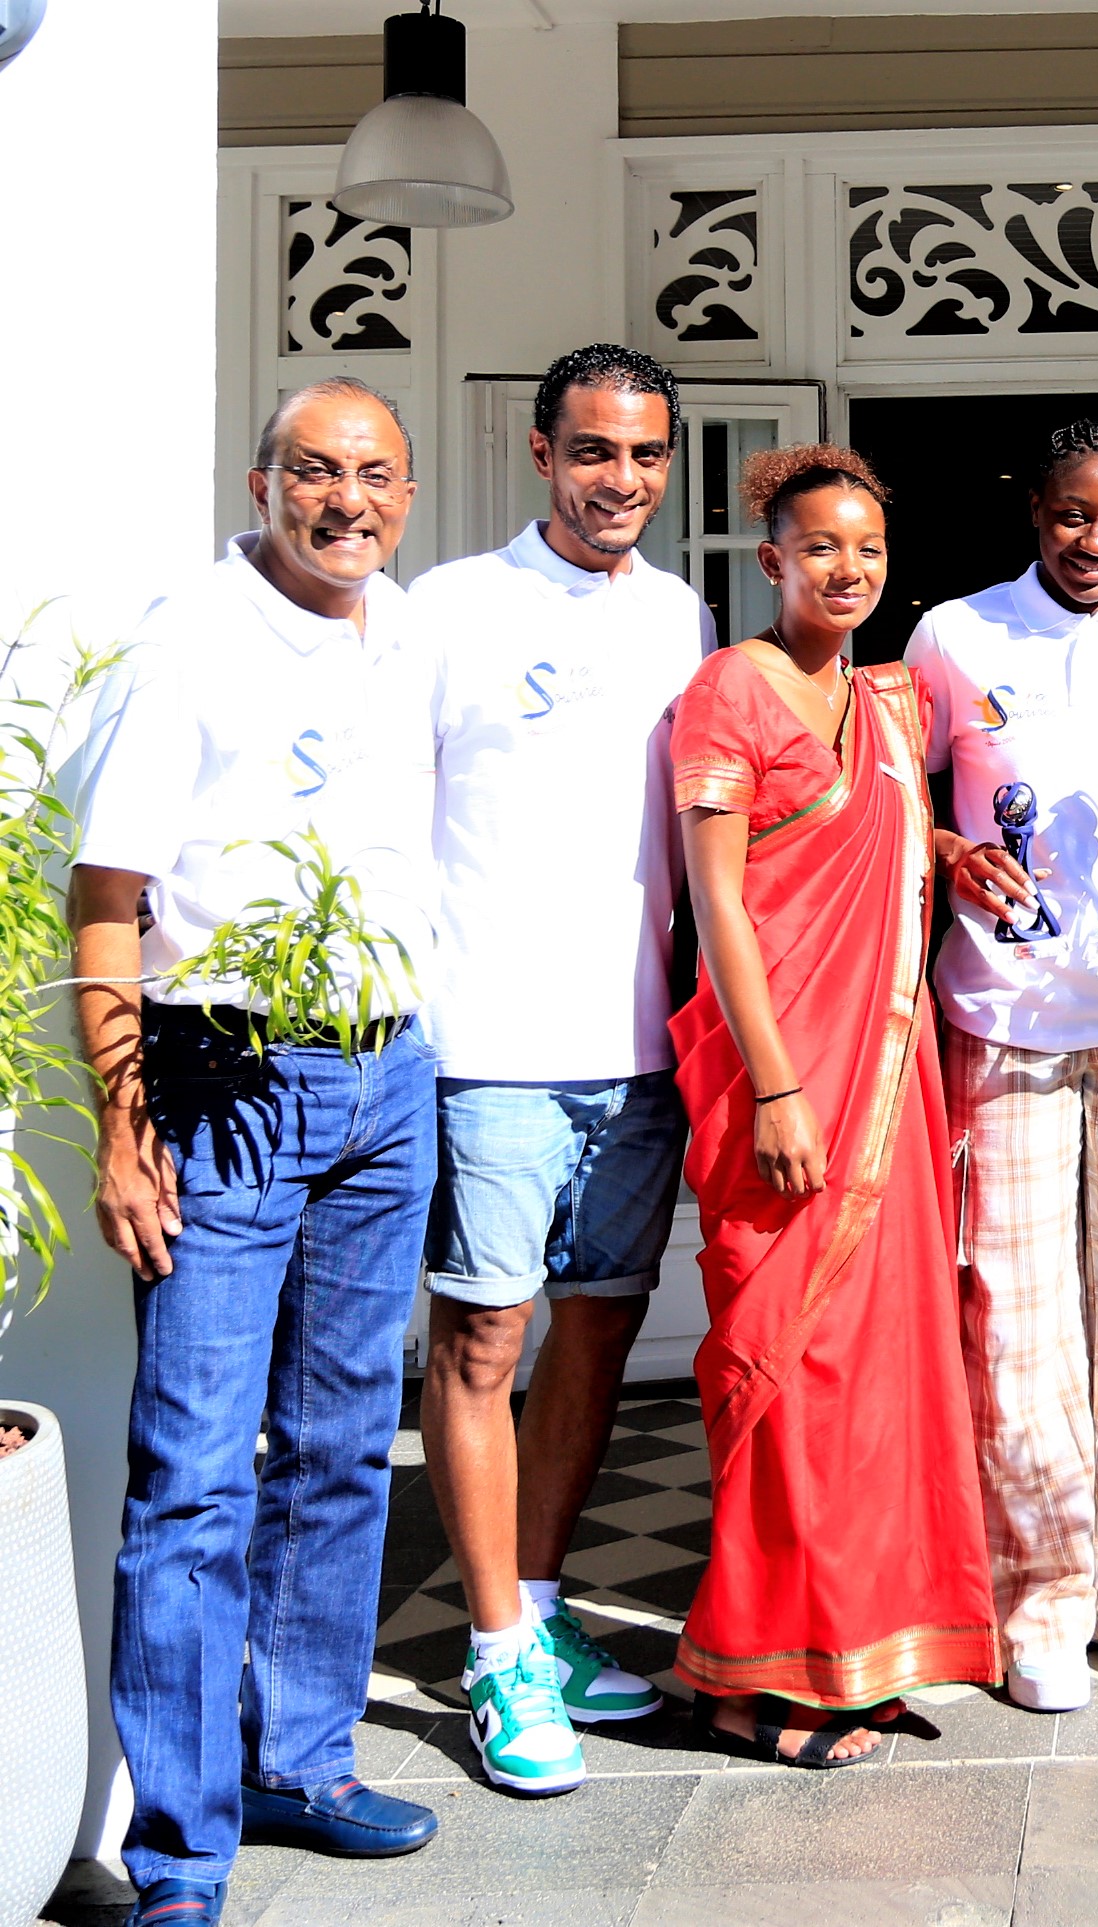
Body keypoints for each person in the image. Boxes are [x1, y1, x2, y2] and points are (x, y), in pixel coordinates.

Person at [71, 380, 440, 1927]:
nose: (345, 499)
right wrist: (123, 1122)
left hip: (388, 1070)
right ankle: (179, 1853)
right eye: (316, 471)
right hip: (227, 1072)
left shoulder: (403, 625)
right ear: (261, 479)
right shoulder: (193, 641)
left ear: (405, 496)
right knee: (198, 1473)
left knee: (350, 1444)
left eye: (373, 474)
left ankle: (302, 1757)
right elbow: (107, 894)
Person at [409, 345, 714, 1793]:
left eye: (646, 455)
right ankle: (488, 1649)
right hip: (490, 1046)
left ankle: (536, 1604)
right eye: (595, 451)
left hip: (637, 1043)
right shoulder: (452, 607)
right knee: (481, 1341)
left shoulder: (680, 612)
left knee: (597, 1328)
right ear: (542, 455)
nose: (623, 482)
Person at [668, 444, 1001, 1766]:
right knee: (788, 1368)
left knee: (881, 1374)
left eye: (866, 548)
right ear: (771, 561)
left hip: (888, 1067)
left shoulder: (894, 698)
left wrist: (956, 849)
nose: (847, 568)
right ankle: (748, 1677)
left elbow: (881, 834)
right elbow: (721, 902)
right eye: (821, 547)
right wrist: (778, 1084)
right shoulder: (724, 696)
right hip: (786, 1081)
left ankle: (853, 1644)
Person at [905, 420, 1098, 1712]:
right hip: (1006, 1009)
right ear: (1033, 508)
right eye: (1073, 515)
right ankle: (1040, 1588)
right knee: (1020, 1311)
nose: (1096, 541)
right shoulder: (954, 636)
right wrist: (944, 845)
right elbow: (892, 794)